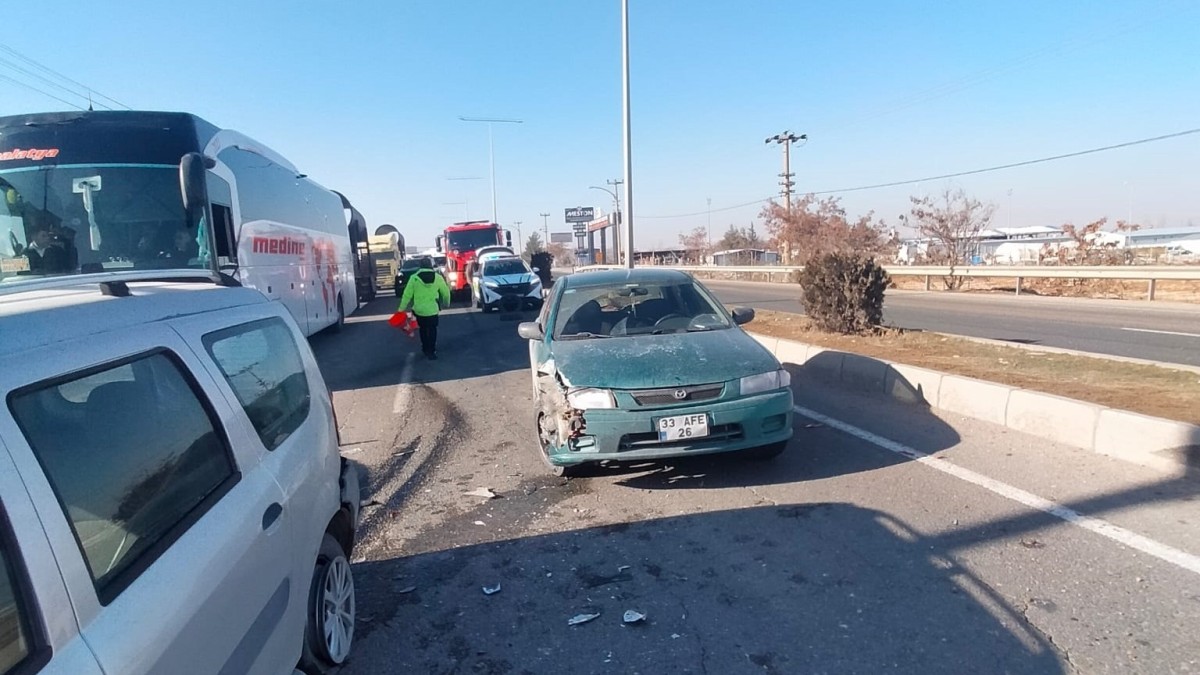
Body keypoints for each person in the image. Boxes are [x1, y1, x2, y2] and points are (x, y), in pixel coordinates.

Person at [397, 257, 450, 359]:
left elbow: (407, 295)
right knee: (432, 329)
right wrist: (446, 304)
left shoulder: (414, 278)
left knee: (423, 329)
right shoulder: (438, 277)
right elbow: (446, 293)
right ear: (430, 265)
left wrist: (401, 309)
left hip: (419, 310)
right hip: (433, 310)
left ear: (420, 266)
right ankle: (432, 349)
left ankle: (425, 348)